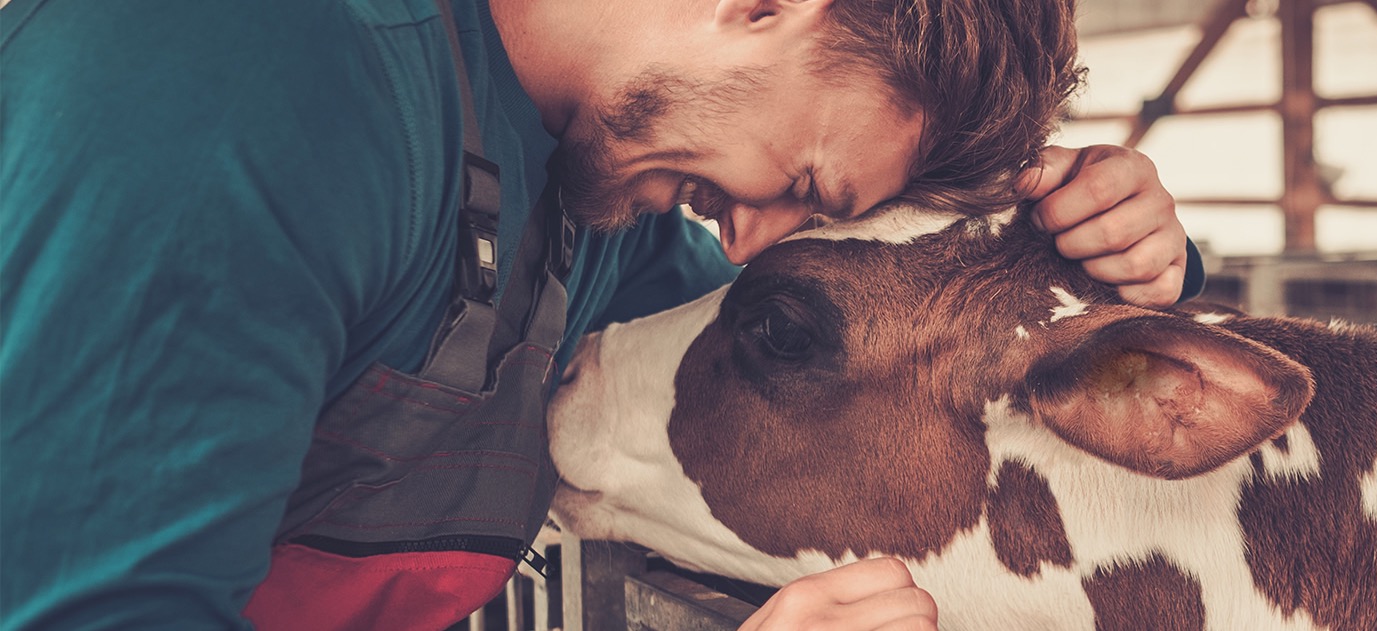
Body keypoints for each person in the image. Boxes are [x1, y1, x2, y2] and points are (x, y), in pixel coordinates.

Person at [0, 0, 1201, 628]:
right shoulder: (242, 75)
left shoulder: (592, 201)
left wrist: (1132, 270)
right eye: (803, 184)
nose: (755, 233)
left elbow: (826, 366)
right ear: (763, 2)